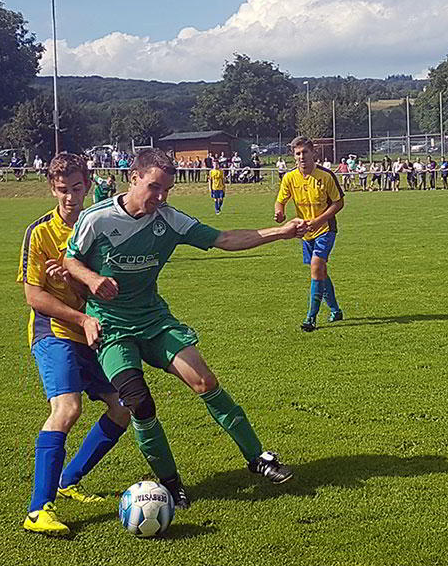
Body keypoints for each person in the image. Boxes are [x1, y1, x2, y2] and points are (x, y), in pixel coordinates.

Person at [62, 148, 299, 509]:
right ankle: (171, 484)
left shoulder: (169, 219)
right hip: (112, 328)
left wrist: (280, 233)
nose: (160, 197)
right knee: (139, 403)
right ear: (134, 178)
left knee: (206, 382)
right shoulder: (97, 218)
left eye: (166, 190)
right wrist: (92, 279)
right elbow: (70, 259)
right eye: (154, 187)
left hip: (154, 320)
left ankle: (258, 458)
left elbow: (223, 239)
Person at [19, 153, 131, 536]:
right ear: (53, 189)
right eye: (63, 190)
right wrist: (78, 314)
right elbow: (33, 296)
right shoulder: (40, 233)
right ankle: (39, 510)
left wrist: (72, 283)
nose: (70, 197)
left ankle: (70, 480)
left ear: (89, 184)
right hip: (55, 332)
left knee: (123, 408)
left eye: (77, 188)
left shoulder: (100, 226)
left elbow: (105, 290)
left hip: (92, 331)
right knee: (67, 408)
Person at [275, 136, 344, 332]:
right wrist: (279, 212)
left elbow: (339, 203)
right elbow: (280, 200)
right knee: (320, 271)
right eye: (298, 153)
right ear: (293, 156)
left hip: (325, 229)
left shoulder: (326, 176)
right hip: (304, 233)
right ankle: (335, 310)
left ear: (313, 152)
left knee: (316, 267)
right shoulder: (289, 178)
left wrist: (318, 220)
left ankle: (310, 318)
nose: (301, 157)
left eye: (305, 152)